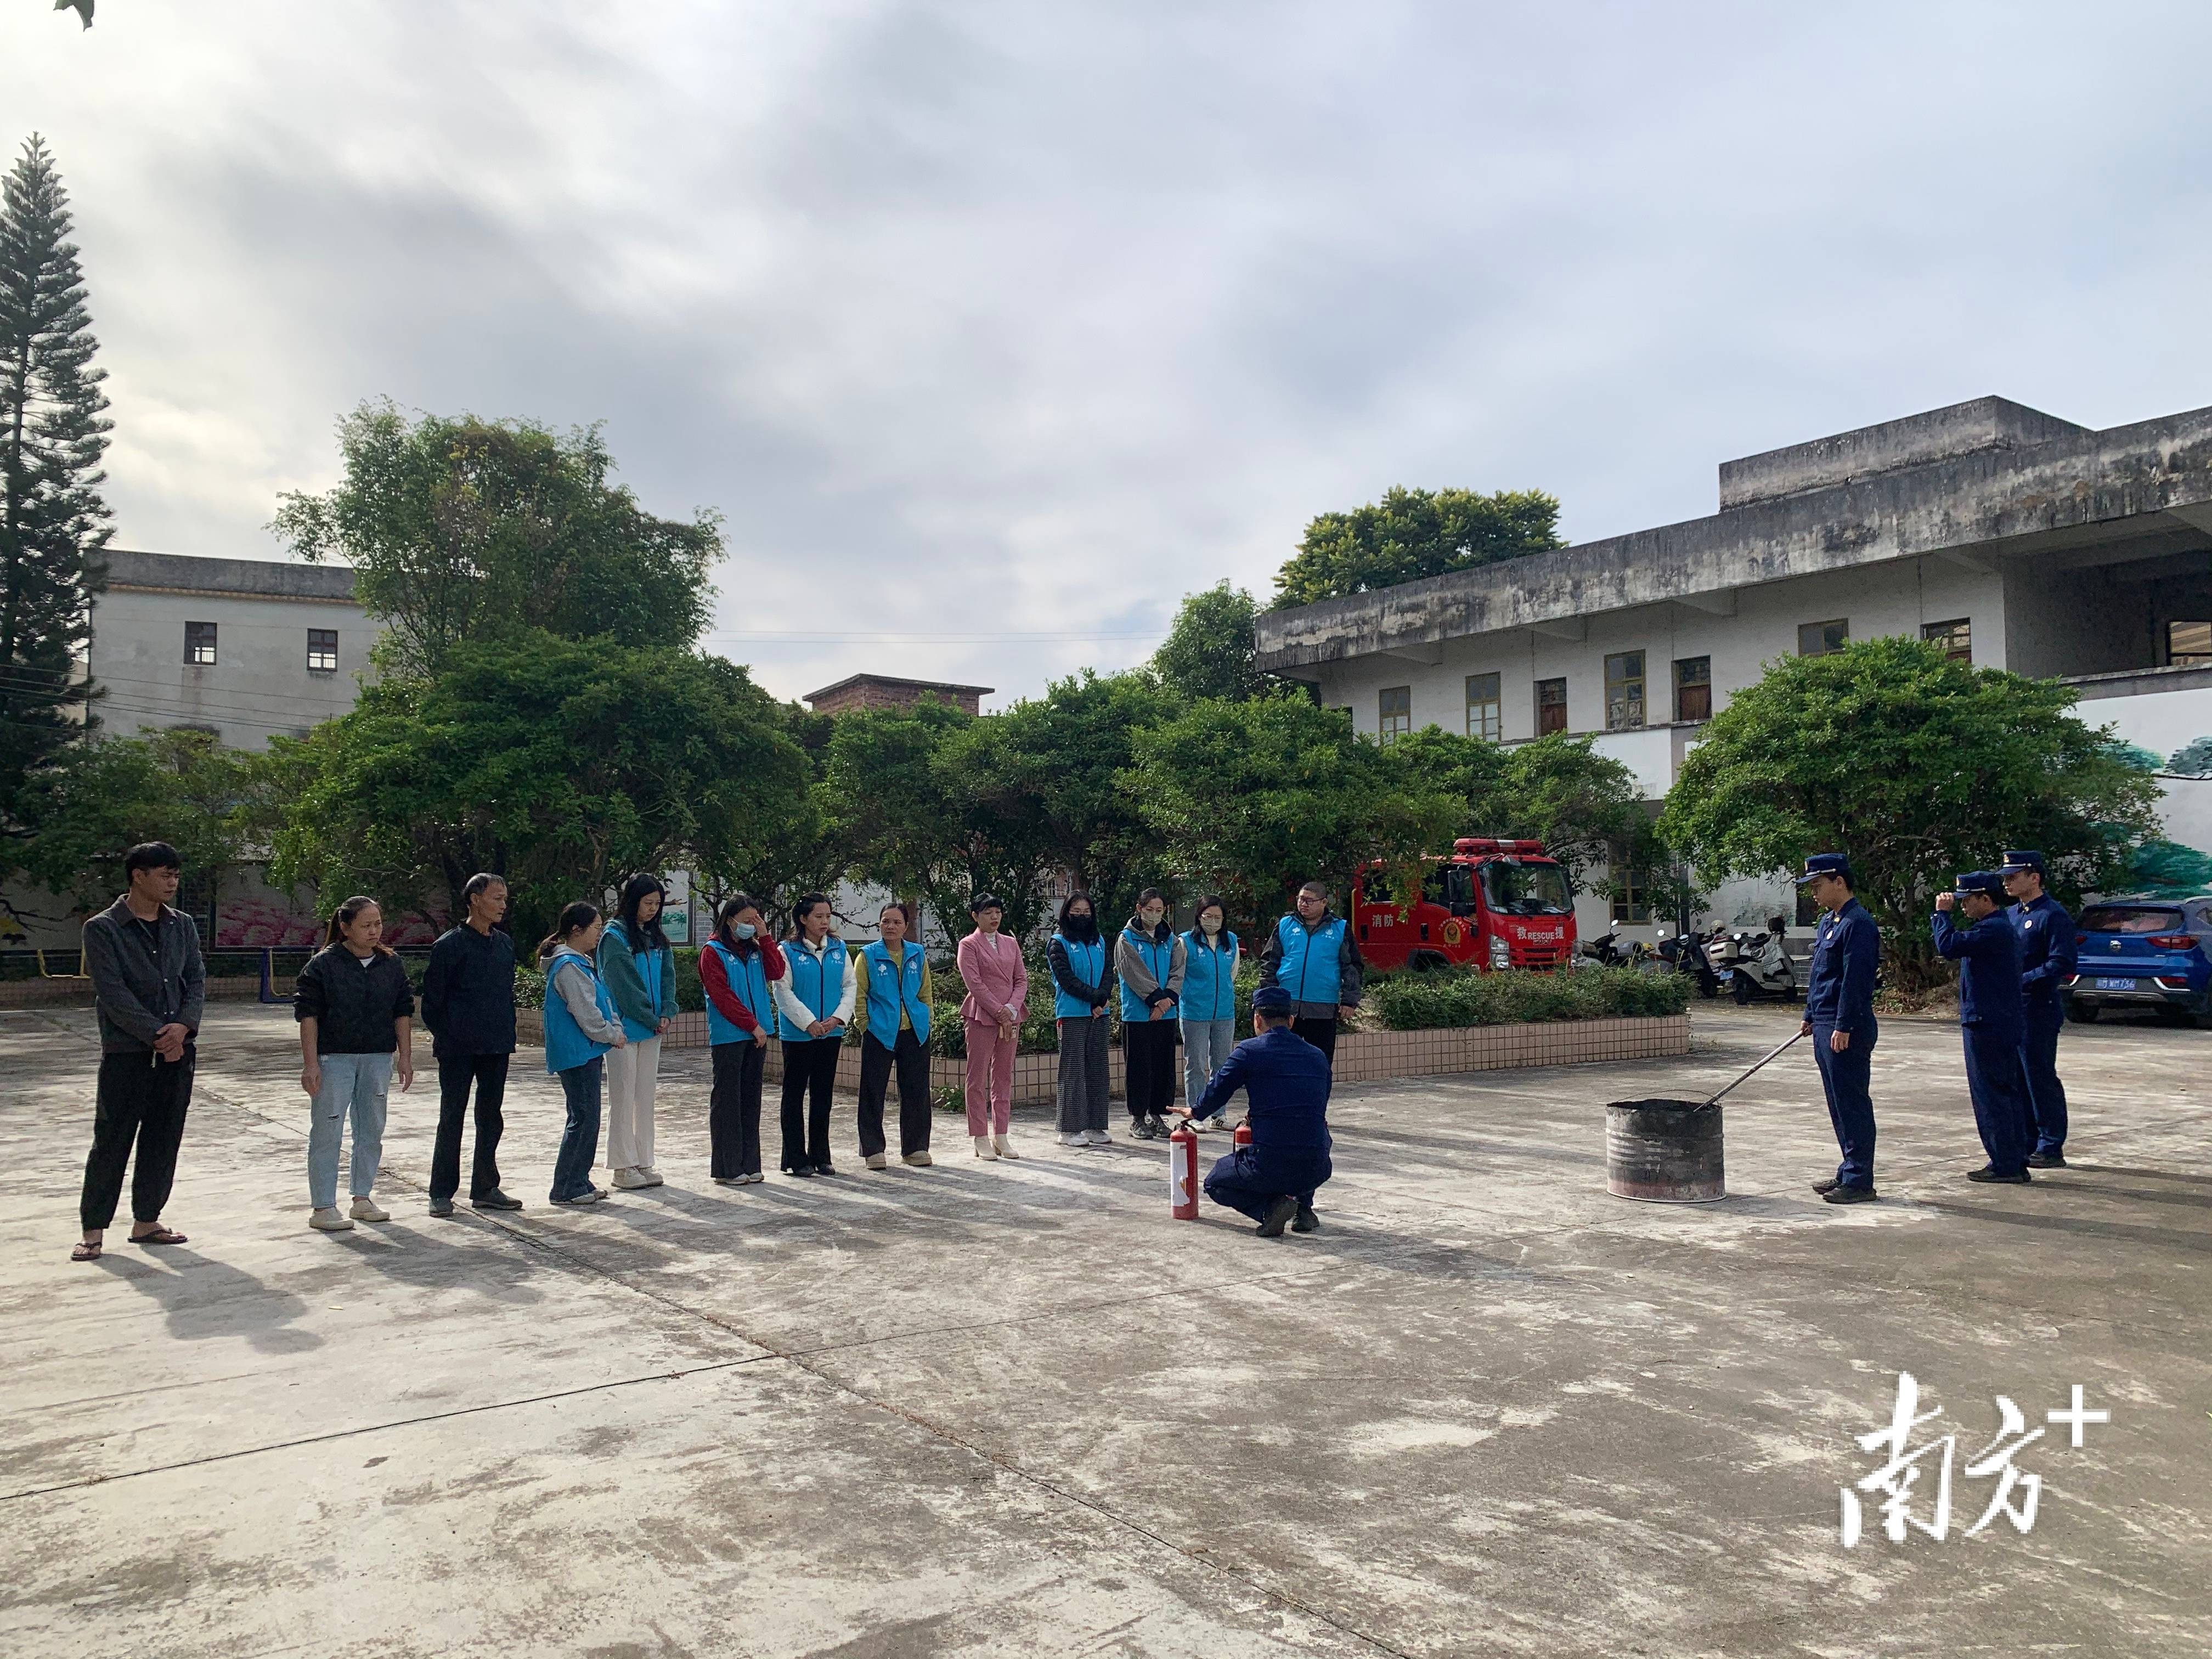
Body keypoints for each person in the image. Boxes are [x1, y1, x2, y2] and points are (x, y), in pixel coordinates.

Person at [73, 841, 205, 1262]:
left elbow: (196, 980)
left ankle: (147, 1220)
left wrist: (183, 1027)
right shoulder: (103, 929)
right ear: (138, 876)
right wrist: (157, 1035)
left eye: (176, 875)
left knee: (163, 1139)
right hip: (127, 1053)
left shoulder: (182, 925)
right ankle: (93, 1231)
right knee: (112, 1140)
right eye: (165, 875)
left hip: (178, 1052)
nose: (172, 883)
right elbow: (113, 994)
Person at [294, 895, 415, 1232]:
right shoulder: (323, 965)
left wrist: (405, 1057)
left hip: (378, 1057)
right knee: (327, 1129)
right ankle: (323, 1205)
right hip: (334, 1059)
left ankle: (362, 1197)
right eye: (366, 925)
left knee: (371, 1129)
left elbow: (403, 1011)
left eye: (378, 924)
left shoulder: (390, 964)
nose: (374, 931)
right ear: (345, 928)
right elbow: (308, 1015)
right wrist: (311, 1064)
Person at [1179, 985, 1333, 1237]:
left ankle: (1269, 1210)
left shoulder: (1249, 1051)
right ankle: (1303, 1209)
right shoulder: (1317, 1056)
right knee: (1309, 1132)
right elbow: (1318, 1105)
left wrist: (1195, 1112)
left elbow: (1219, 1088)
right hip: (1318, 1167)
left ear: (1257, 1020)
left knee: (1215, 1183)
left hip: (1269, 1164)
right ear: (1291, 1021)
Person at [421, 872, 522, 1217]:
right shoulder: (449, 946)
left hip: (496, 1045)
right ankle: (441, 1192)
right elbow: (432, 1004)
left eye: (505, 899)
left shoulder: (504, 944)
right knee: (452, 1116)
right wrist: (450, 1034)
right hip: (457, 1048)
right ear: (475, 900)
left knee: (491, 1118)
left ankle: (485, 1187)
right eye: (497, 898)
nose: (503, 905)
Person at [1933, 872, 2036, 1185]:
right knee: (2003, 1091)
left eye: (1968, 900)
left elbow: (1948, 946)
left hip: (1988, 1022)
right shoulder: (1996, 928)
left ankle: (2005, 1162)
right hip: (1996, 1020)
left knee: (1991, 1094)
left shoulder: (1993, 929)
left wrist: (1941, 915)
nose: (1963, 906)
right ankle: (2012, 1158)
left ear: (1986, 899)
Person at [1795, 854, 1880, 1205]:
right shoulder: (1829, 922)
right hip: (1825, 1021)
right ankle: (1848, 1168)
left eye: (1818, 886)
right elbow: (1821, 974)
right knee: (1837, 1102)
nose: (1813, 893)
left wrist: (1844, 1024)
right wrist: (1810, 1013)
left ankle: (1860, 1180)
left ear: (1840, 882)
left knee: (1852, 1102)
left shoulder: (1858, 924)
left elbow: (1856, 981)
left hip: (1847, 1026)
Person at [538, 901, 627, 1206]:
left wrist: (614, 1027)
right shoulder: (568, 966)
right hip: (576, 1052)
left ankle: (579, 1180)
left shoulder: (580, 963)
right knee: (583, 1118)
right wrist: (612, 1034)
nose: (599, 933)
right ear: (577, 930)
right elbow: (586, 1013)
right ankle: (567, 1188)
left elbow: (603, 1001)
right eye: (596, 927)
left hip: (585, 1051)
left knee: (587, 1117)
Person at [597, 873, 679, 1192]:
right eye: (648, 903)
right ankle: (622, 1166)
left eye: (657, 904)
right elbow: (623, 985)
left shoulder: (657, 937)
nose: (653, 909)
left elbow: (668, 977)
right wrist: (650, 1017)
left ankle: (644, 1159)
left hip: (653, 1027)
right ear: (632, 902)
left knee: (645, 1097)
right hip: (624, 1030)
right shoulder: (614, 936)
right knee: (623, 1097)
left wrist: (667, 1011)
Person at [700, 894, 785, 1185]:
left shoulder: (756, 950)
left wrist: (766, 938)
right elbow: (722, 996)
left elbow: (777, 972)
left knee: (751, 1099)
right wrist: (751, 1025)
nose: (752, 925)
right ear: (729, 920)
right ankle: (728, 1167)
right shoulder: (713, 951)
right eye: (747, 920)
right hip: (730, 1034)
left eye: (756, 919)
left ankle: (750, 1162)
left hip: (757, 1034)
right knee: (728, 1100)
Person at [2001, 849, 2075, 1169]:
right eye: (2005, 878)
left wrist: (2023, 980)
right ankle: (2027, 1141)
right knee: (2016, 1077)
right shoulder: (2010, 915)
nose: (2007, 883)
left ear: (2034, 878)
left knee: (2038, 1076)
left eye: (2013, 877)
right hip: (2012, 1009)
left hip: (2038, 1007)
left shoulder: (2052, 915)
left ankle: (2050, 1144)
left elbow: (2062, 962)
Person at [850, 899, 936, 1170]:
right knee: (873, 1092)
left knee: (916, 1091)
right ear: (879, 924)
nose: (891, 926)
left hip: (915, 1032)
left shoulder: (917, 954)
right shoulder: (867, 956)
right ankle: (873, 1149)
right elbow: (858, 994)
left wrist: (926, 1018)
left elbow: (925, 992)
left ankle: (915, 1148)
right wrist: (865, 1024)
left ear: (906, 926)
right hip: (880, 1032)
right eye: (886, 921)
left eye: (897, 922)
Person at [775, 893, 853, 1176]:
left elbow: (850, 985)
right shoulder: (787, 950)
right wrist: (808, 1022)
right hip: (798, 1035)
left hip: (830, 1033)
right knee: (794, 1095)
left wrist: (837, 1018)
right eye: (818, 916)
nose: (824, 922)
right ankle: (796, 1158)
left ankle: (821, 1156)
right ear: (803, 919)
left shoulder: (839, 948)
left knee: (823, 1095)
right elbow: (782, 991)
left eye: (828, 916)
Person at [1258, 880, 1364, 1065]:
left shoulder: (1339, 928)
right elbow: (1270, 962)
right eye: (1300, 899)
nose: (1303, 904)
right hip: (1287, 1008)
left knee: (1320, 1063)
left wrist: (1350, 1000)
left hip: (1323, 1009)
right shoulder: (1285, 924)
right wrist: (1267, 996)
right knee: (1284, 1062)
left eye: (1309, 900)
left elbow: (1352, 966)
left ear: (1324, 902)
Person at [956, 893, 1026, 1159]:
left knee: (1004, 1076)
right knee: (977, 1077)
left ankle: (1002, 1135)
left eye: (997, 912)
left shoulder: (1011, 943)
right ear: (975, 916)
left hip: (1011, 1015)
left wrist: (1012, 1009)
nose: (994, 917)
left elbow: (1021, 979)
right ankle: (980, 1136)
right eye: (988, 913)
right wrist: (999, 1012)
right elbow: (974, 983)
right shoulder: (968, 945)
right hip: (981, 1016)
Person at [1117, 888, 1186, 1139]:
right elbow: (1133, 972)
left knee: (1163, 1068)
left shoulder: (1172, 940)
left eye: (1159, 910)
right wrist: (1156, 999)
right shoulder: (1126, 939)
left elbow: (1178, 971)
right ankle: (1138, 1118)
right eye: (1149, 910)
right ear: (1139, 909)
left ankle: (1158, 1114)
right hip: (1138, 1015)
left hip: (1165, 1015)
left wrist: (1166, 1003)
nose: (1154, 915)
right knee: (1139, 1068)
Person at [1047, 892, 1114, 1148]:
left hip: (1100, 1013)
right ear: (1066, 913)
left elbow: (1108, 972)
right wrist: (1094, 998)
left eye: (1086, 912)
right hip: (1073, 1013)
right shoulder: (1058, 943)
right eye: (1076, 911)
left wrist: (1102, 999)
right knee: (1072, 1070)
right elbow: (1066, 979)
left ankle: (1095, 1125)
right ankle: (1069, 1129)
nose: (1082, 916)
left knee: (1098, 1070)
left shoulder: (1099, 941)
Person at [1180, 895, 1240, 1130]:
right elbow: (1179, 975)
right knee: (1195, 1064)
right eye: (1208, 916)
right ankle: (1195, 1114)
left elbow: (1232, 973)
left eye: (1218, 917)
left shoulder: (1231, 940)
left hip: (1224, 1012)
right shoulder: (1186, 941)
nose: (1213, 921)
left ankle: (1219, 1114)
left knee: (1222, 1066)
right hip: (1194, 1012)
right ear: (1199, 916)